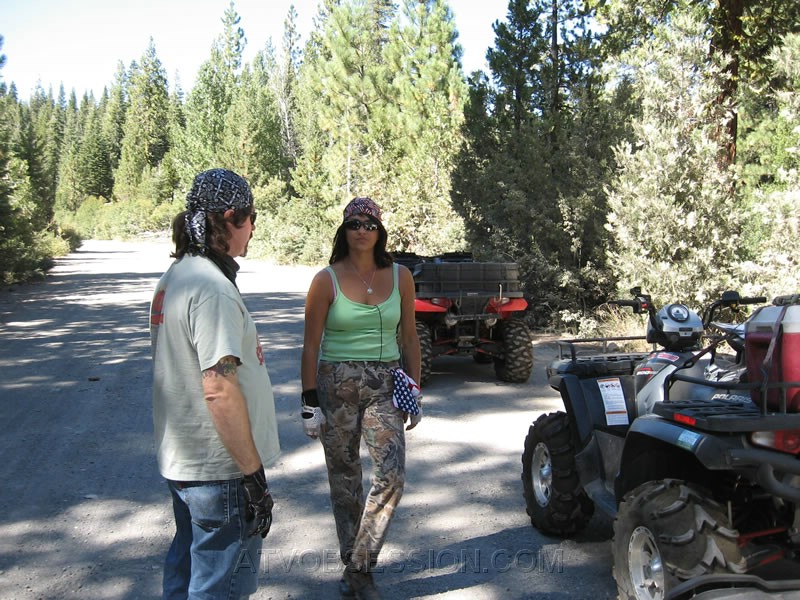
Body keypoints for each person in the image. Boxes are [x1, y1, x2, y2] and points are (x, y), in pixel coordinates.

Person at [149, 168, 281, 600]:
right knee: (217, 587)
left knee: (187, 571)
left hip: (187, 463)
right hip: (220, 470)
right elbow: (218, 388)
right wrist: (253, 474)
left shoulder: (178, 275)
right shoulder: (212, 288)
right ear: (229, 218)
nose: (253, 228)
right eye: (251, 217)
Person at [300, 197, 422, 600]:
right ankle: (356, 571)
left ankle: (359, 565)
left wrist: (414, 389)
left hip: (385, 382)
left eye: (370, 224)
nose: (362, 230)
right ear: (344, 230)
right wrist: (309, 403)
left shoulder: (401, 276)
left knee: (392, 475)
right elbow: (310, 345)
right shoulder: (326, 280)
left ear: (380, 231)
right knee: (345, 478)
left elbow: (409, 338)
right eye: (354, 223)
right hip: (335, 383)